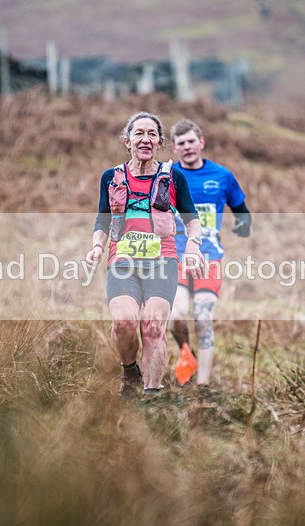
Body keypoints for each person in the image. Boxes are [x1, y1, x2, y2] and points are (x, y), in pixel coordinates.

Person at [86, 111, 204, 396]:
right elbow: (102, 221)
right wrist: (97, 247)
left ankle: (151, 398)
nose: (146, 139)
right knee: (124, 322)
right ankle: (130, 372)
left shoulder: (173, 177)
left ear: (160, 142)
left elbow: (193, 221)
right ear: (127, 141)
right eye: (139, 133)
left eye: (152, 134)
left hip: (162, 261)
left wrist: (192, 246)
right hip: (122, 261)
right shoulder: (111, 177)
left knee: (152, 327)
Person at [168, 118, 251, 386]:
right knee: (176, 316)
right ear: (174, 148)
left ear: (201, 142)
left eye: (192, 141)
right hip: (175, 256)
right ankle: (186, 354)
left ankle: (202, 388)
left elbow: (242, 212)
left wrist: (243, 225)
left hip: (209, 258)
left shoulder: (222, 176)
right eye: (181, 143)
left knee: (203, 318)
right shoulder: (168, 176)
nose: (188, 147)